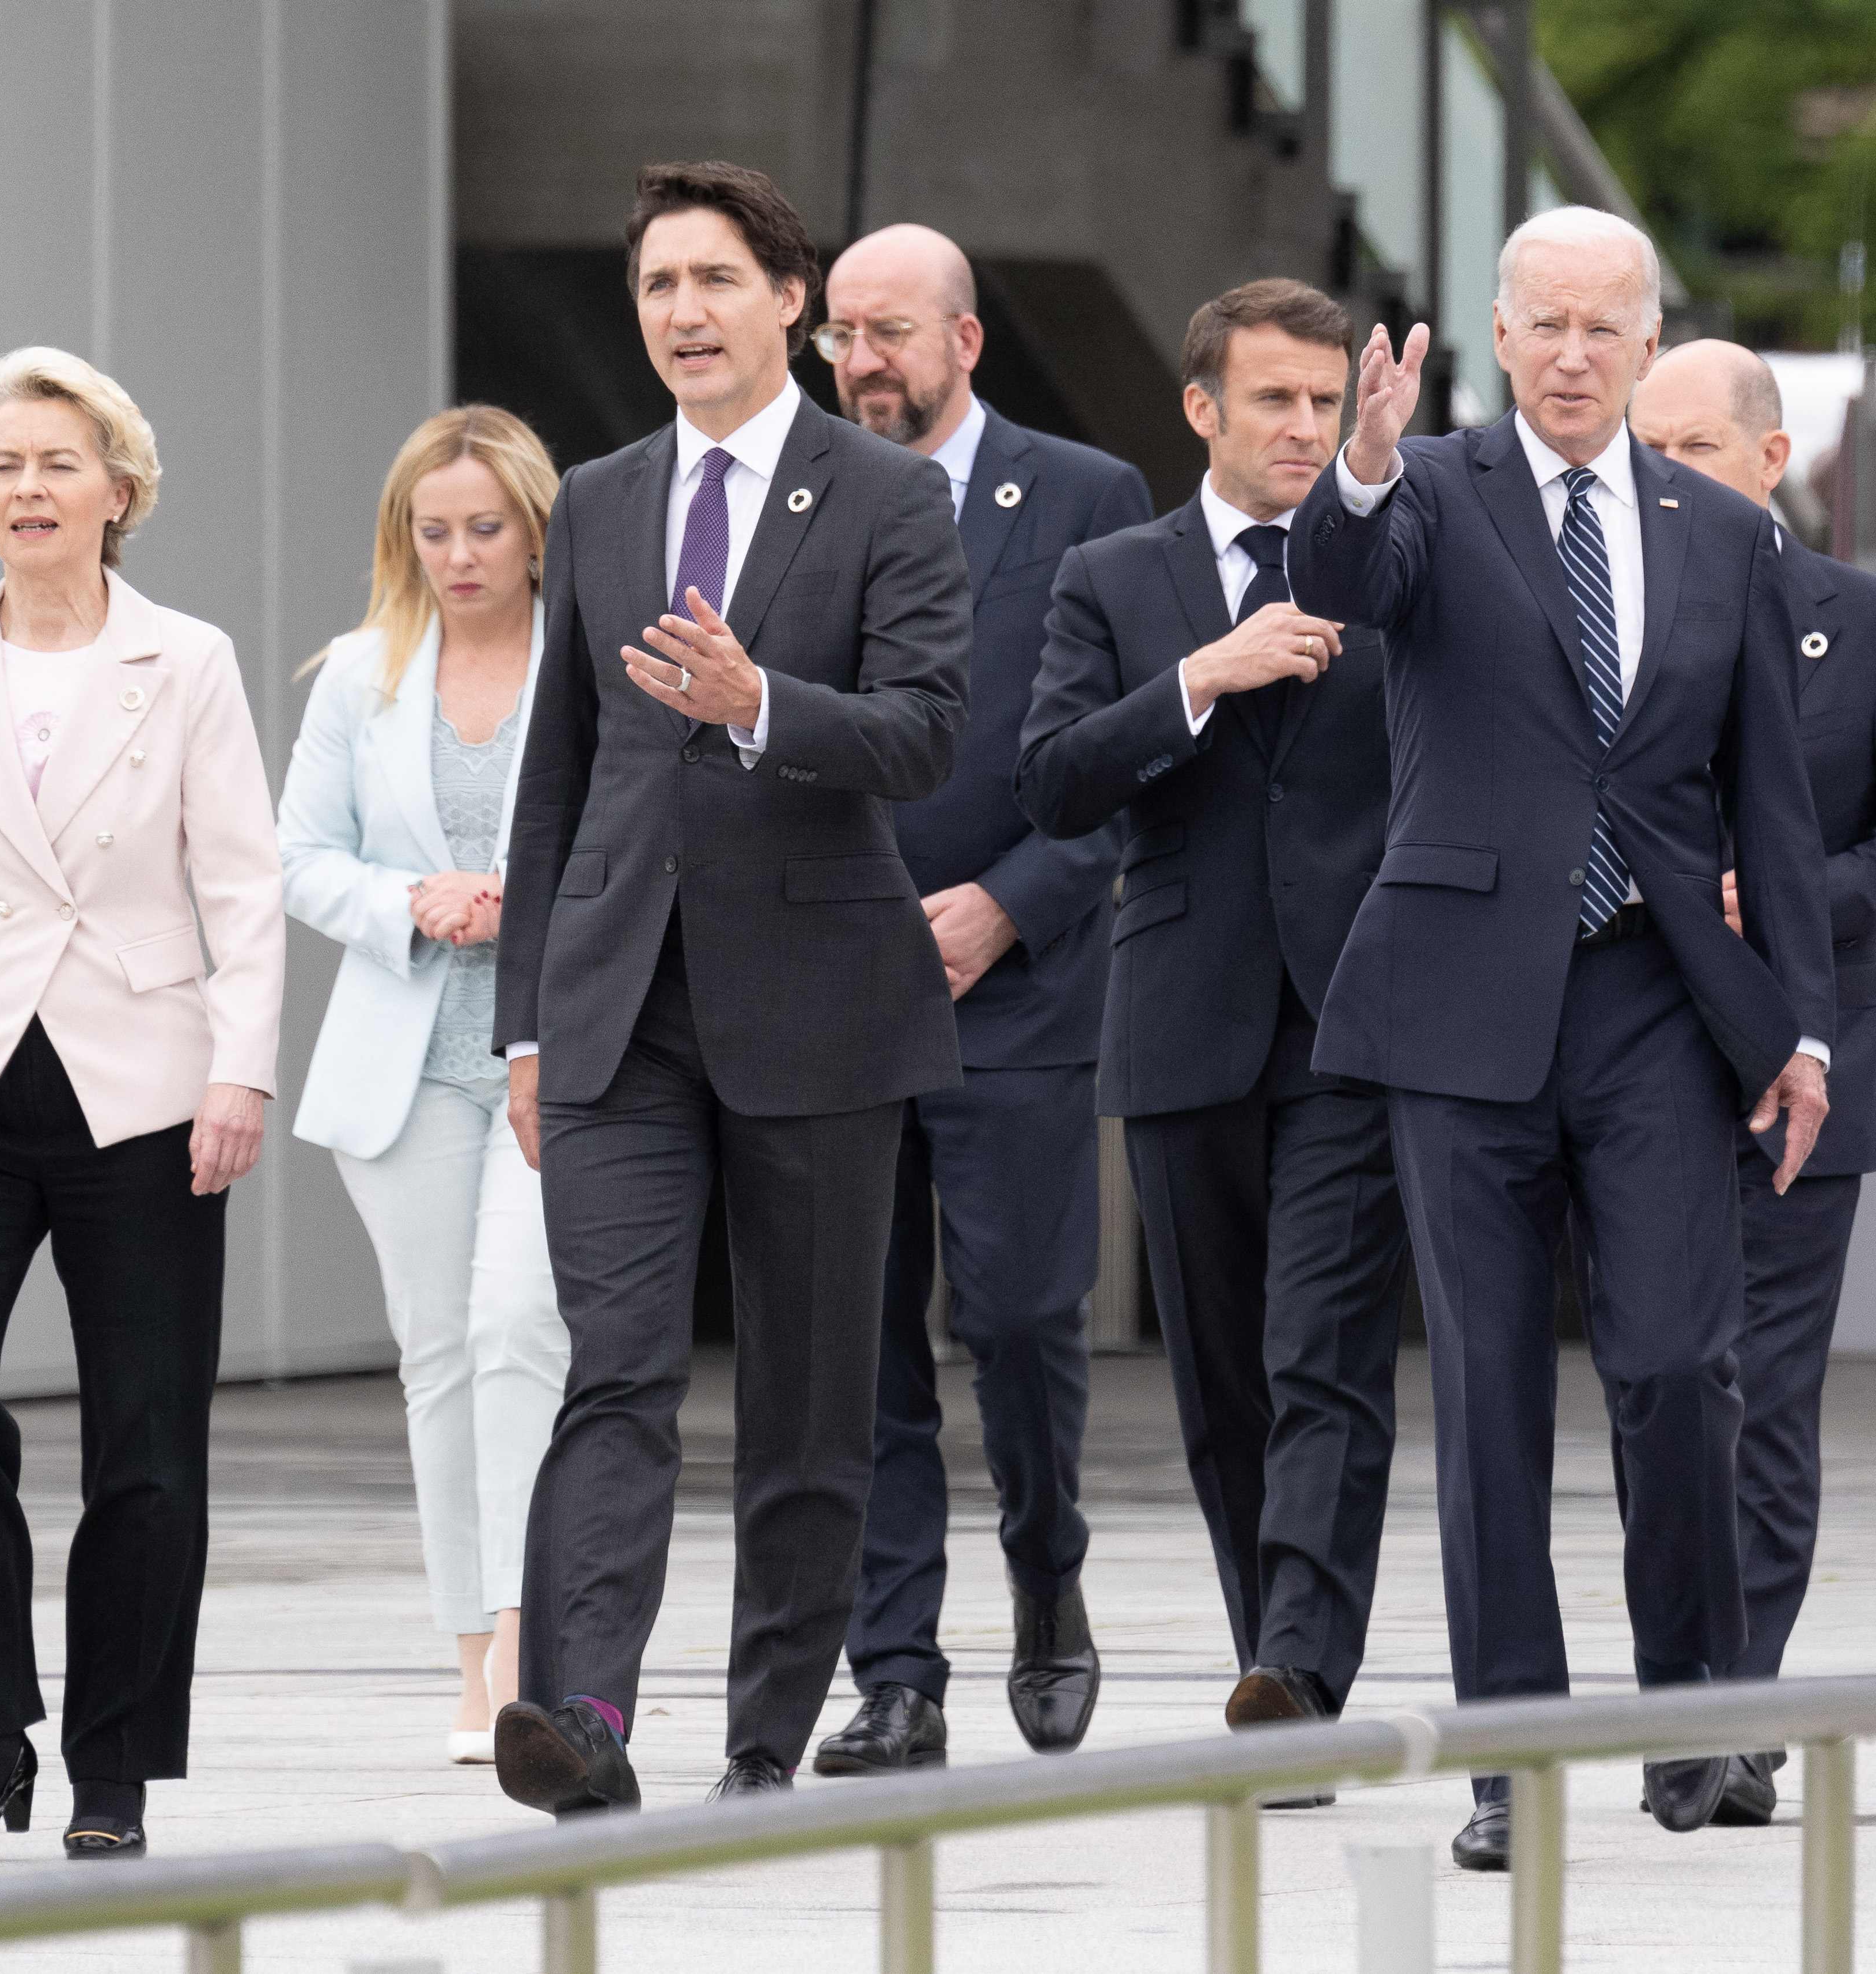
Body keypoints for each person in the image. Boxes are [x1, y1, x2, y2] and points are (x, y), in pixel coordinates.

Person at [1289, 209, 1837, 1870]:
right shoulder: (1429, 491)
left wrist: (1796, 1029)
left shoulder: (1718, 531)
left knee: (1678, 1366)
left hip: (1654, 999)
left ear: (1651, 339)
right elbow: (1336, 580)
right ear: (1498, 335)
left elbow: (1770, 801)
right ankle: (1507, 1767)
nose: (1578, 354)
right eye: (1547, 325)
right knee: (1489, 1397)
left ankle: (1686, 1735)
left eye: (1610, 326)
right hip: (1462, 997)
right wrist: (1360, 463)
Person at [488, 160, 972, 1814]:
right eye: (653, 288)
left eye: (710, 281)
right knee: (613, 1365)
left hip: (823, 1005)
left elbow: (922, 728)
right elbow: (555, 776)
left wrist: (766, 701)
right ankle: (582, 1714)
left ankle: (763, 1734)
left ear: (790, 298)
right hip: (619, 1004)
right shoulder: (604, 500)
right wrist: (530, 1023)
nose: (679, 313)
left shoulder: (889, 496)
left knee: (805, 1402)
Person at [0, 347, 283, 1860]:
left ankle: (113, 1764)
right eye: (2, 463)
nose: (28, 486)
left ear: (119, 491)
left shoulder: (189, 660)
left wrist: (239, 1066)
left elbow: (243, 886)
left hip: (144, 1087)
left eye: (57, 462)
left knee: (145, 1438)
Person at [1015, 281, 1405, 1803]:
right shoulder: (1113, 576)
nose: (1304, 427)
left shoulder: (1400, 555)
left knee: (1323, 1358)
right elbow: (1050, 779)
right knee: (1223, 1386)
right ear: (1202, 412)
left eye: (1325, 401)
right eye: (1275, 402)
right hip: (1182, 1019)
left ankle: (1300, 1676)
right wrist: (1198, 674)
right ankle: (1275, 1668)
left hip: (1359, 1020)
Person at [802, 223, 1149, 1777]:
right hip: (829, 989)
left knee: (1015, 1318)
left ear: (964, 341)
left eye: (888, 332)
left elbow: (1130, 760)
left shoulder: (1084, 501)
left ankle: (1047, 1578)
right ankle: (895, 1671)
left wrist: (1009, 903)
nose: (861, 360)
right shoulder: (790, 498)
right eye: (839, 336)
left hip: (1018, 985)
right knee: (858, 1342)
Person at [1627, 339, 1876, 1823]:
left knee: (1762, 1404)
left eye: (1695, 448)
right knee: (1661, 1391)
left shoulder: (1874, 624)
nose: (1663, 477)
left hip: (1800, 1062)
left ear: (1771, 460)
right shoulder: (1596, 613)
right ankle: (1677, 1692)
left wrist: (1783, 899)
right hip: (1627, 1062)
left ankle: (1731, 1711)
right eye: (1648, 449)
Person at [279, 406, 569, 1766]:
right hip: (404, 1070)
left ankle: (527, 1641)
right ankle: (472, 1653)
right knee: (439, 1360)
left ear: (532, 527)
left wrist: (535, 906)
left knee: (522, 1326)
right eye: (431, 529)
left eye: (484, 528)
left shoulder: (593, 663)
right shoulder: (359, 674)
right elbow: (297, 861)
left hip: (553, 1056)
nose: (458, 554)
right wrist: (414, 897)